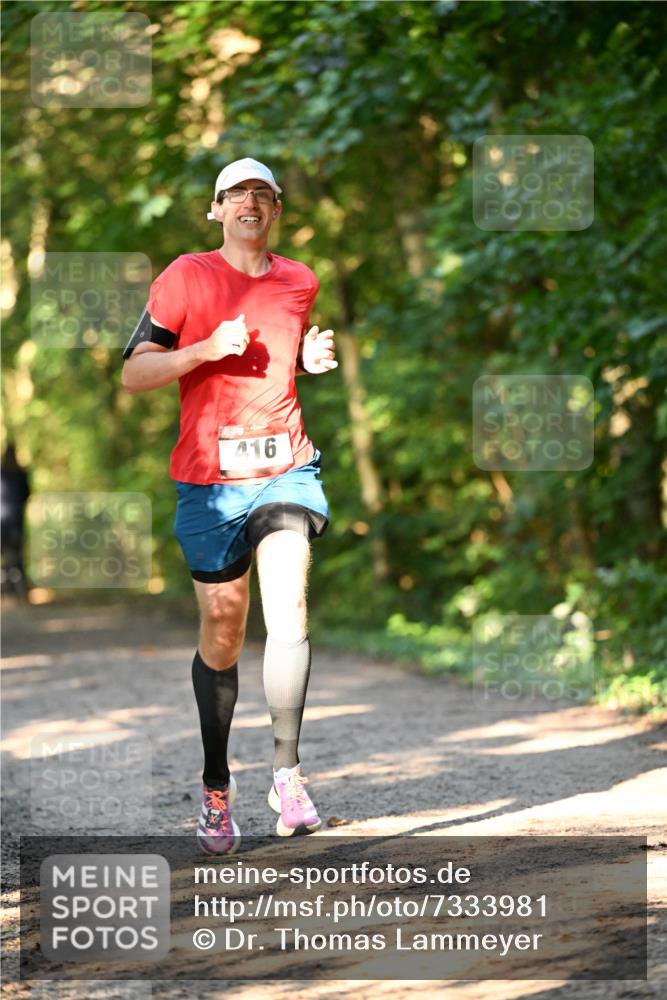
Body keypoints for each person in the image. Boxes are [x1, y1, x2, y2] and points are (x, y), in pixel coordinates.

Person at [121, 157, 337, 855]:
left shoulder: (299, 279)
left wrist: (306, 359)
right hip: (209, 483)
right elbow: (133, 373)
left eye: (263, 193)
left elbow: (277, 359)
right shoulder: (186, 275)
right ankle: (217, 787)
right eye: (237, 193)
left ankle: (287, 774)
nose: (251, 201)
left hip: (285, 470)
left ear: (275, 210)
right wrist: (204, 349)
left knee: (290, 603)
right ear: (216, 210)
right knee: (223, 629)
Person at [1, 442, 31, 600]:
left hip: (2, 521)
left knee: (5, 556)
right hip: (15, 521)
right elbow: (26, 495)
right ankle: (20, 591)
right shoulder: (21, 474)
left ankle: (9, 590)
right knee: (17, 556)